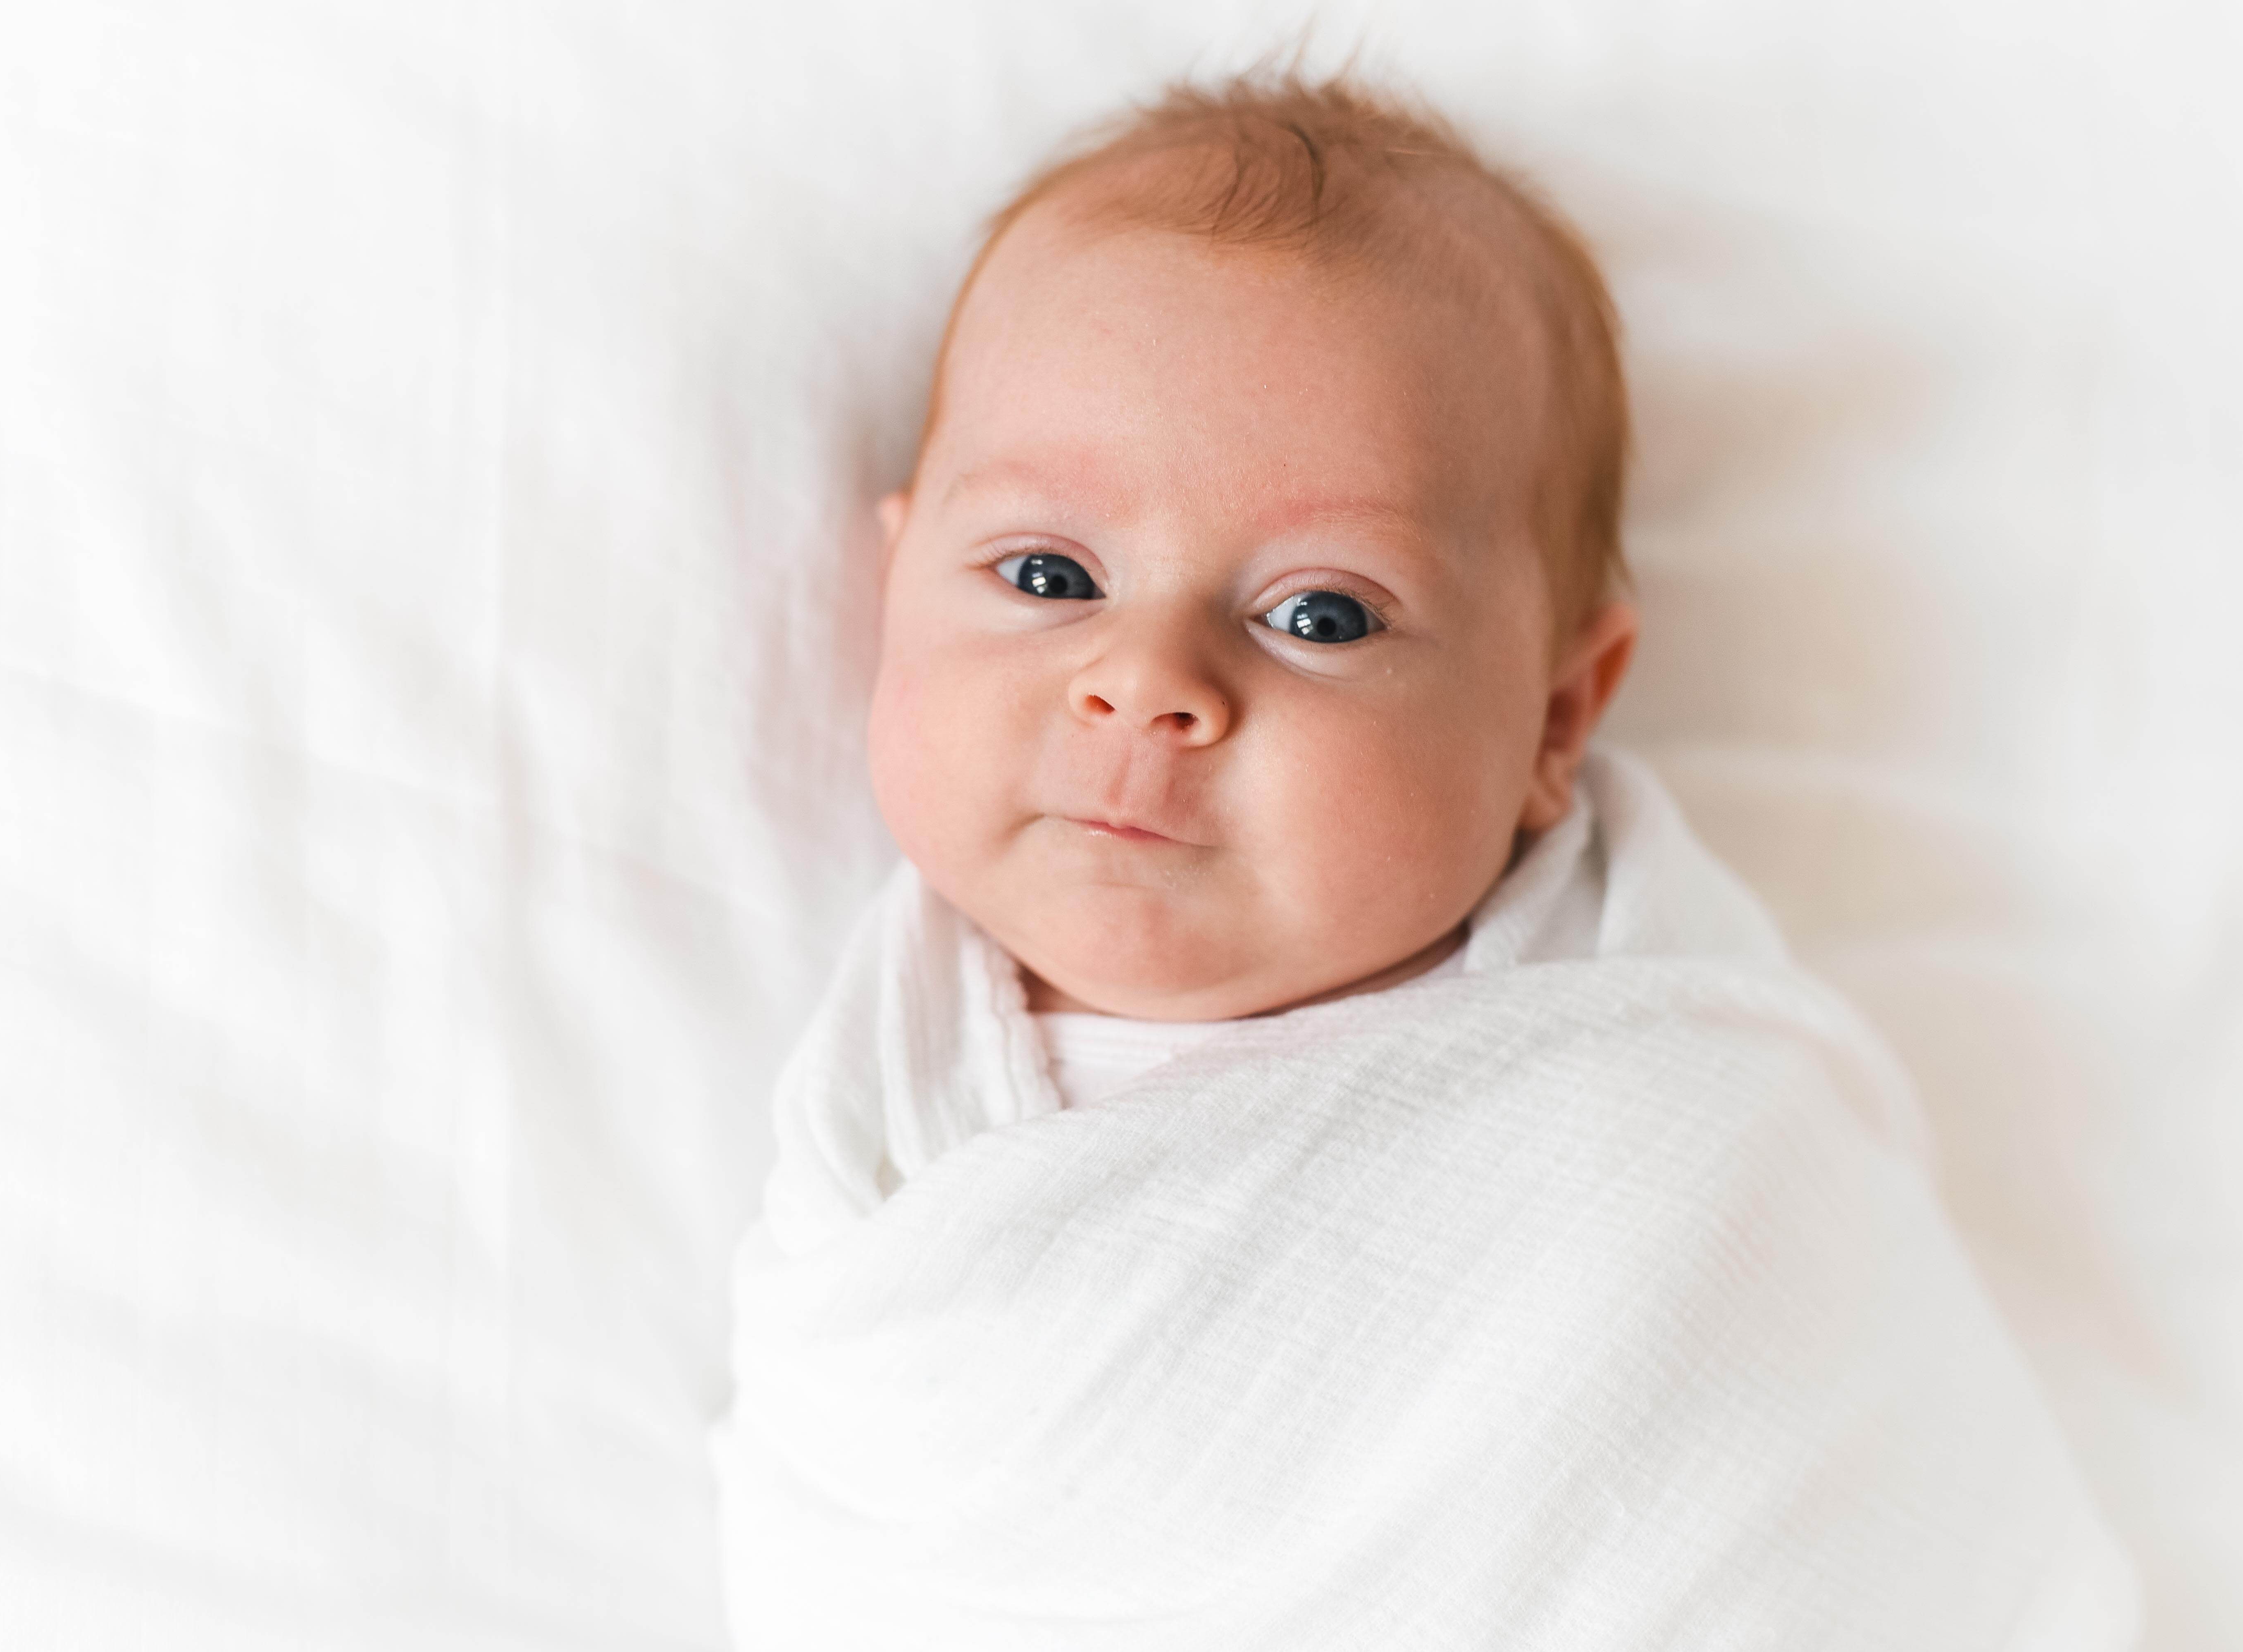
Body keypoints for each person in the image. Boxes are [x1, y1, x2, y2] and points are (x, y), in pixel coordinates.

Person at [714, 70, 2136, 1649]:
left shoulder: (1665, 1105)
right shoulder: (883, 1108)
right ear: (904, 574)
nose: (1149, 681)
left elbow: (1815, 1498)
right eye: (1051, 574)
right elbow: (857, 1519)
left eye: (1321, 615)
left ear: (1552, 718)